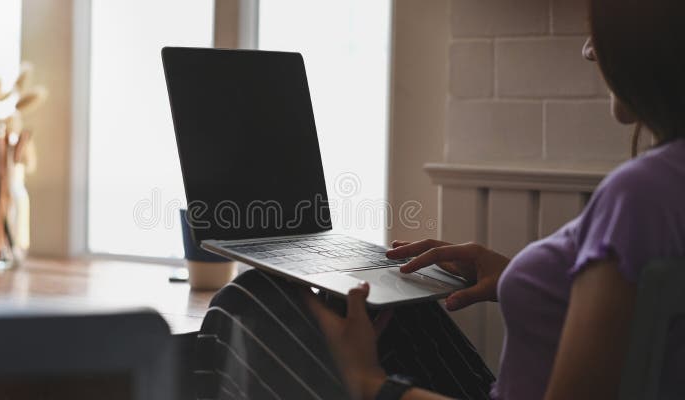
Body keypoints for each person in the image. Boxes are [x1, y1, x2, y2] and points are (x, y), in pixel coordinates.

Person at [195, 0, 685, 398]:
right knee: (392, 302)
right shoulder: (664, 185)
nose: (588, 52)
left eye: (597, 30)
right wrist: (519, 274)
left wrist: (370, 384)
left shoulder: (639, 193)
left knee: (251, 300)